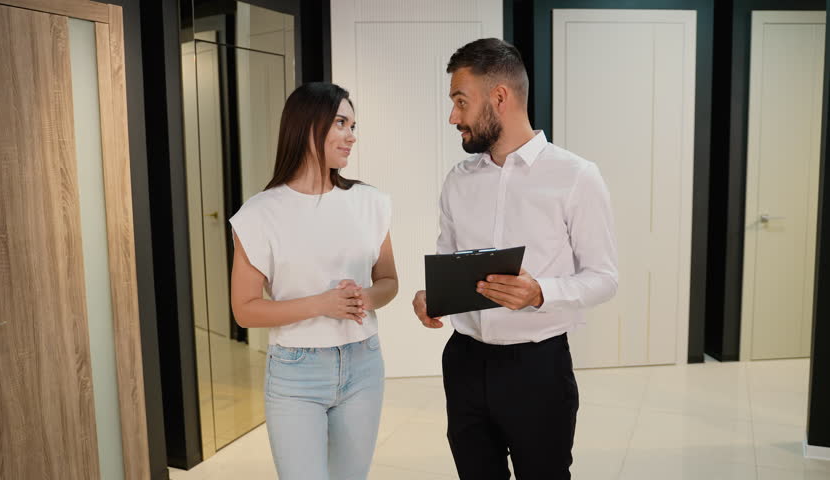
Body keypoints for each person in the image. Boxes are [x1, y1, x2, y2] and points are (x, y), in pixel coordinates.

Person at [412, 38, 618, 479]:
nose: (454, 117)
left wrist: (540, 292)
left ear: (499, 97)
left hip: (537, 368)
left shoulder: (577, 177)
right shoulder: (457, 180)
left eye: (461, 102)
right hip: (464, 362)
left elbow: (604, 277)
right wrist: (431, 297)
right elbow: (449, 260)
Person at [229, 82, 398, 480]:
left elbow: (388, 280)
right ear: (307, 126)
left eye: (354, 125)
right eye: (341, 123)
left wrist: (365, 298)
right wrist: (322, 304)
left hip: (363, 364)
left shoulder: (370, 202)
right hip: (295, 373)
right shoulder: (259, 213)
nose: (351, 136)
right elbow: (245, 310)